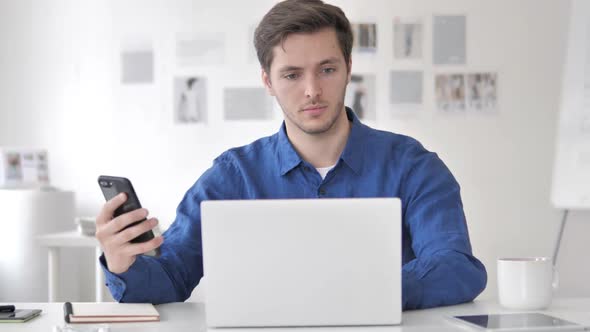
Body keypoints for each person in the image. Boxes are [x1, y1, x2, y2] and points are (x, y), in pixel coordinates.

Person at [95, 0, 487, 310]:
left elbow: (456, 268)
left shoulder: (413, 166)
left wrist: (365, 291)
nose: (312, 90)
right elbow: (172, 276)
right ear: (268, 80)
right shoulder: (232, 176)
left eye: (327, 69)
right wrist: (121, 263)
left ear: (349, 68)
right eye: (292, 74)